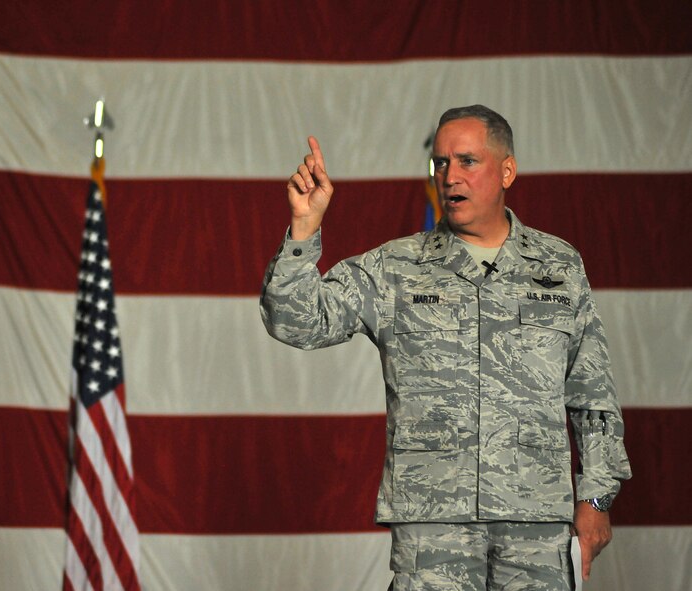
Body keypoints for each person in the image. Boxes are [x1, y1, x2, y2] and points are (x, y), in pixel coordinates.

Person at [260, 105, 631, 590]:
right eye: (440, 163)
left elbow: (593, 395)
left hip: (537, 522)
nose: (449, 176)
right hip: (432, 526)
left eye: (467, 162)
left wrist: (597, 499)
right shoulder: (396, 266)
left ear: (506, 171)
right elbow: (296, 322)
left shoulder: (559, 266)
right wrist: (304, 229)